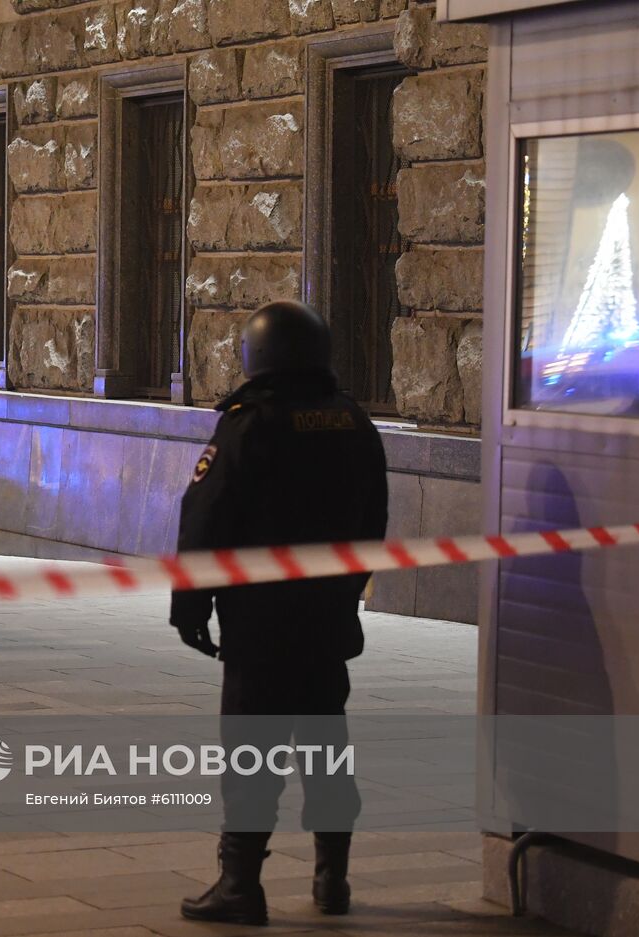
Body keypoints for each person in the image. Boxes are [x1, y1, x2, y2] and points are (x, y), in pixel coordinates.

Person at [172, 300, 389, 926]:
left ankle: (240, 885)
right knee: (326, 742)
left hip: (260, 624)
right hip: (326, 620)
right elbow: (373, 518)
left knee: (251, 750)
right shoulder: (353, 422)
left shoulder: (249, 424)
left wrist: (190, 605)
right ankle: (332, 879)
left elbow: (205, 519)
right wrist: (347, 590)